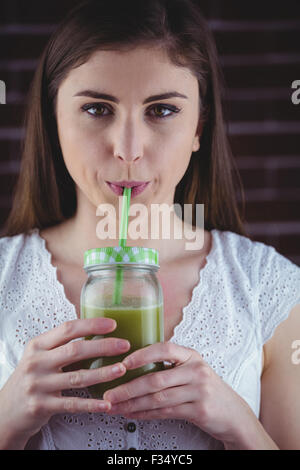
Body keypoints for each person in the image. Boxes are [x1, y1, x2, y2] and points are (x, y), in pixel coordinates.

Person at [0, 0, 299, 451]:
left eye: (161, 111)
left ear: (199, 126)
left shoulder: (269, 287)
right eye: (98, 109)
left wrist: (239, 423)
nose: (128, 149)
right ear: (52, 120)